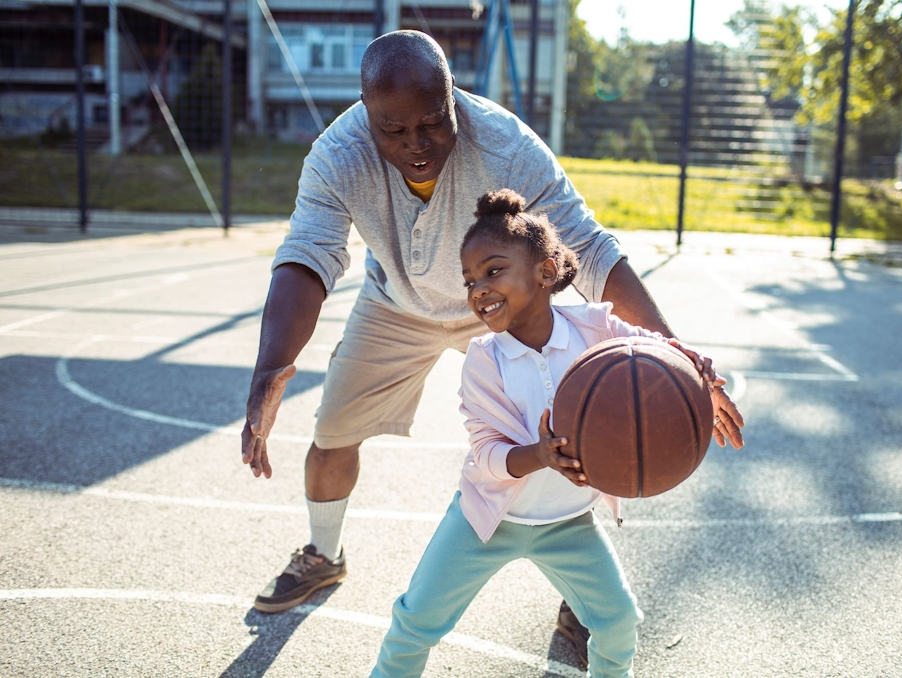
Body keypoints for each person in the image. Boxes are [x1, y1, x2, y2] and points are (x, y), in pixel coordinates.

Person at [240, 29, 745, 656]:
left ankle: (582, 593)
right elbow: (308, 256)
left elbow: (586, 247)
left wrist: (675, 352)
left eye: (433, 123)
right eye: (393, 131)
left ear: (455, 98)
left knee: (600, 421)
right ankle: (324, 553)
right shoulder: (337, 153)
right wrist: (269, 368)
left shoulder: (504, 142)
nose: (416, 144)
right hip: (396, 303)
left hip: (503, 303)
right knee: (332, 433)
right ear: (367, 115)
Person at [371, 189, 727, 676]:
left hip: (568, 523)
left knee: (619, 621)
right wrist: (539, 454)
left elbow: (654, 350)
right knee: (416, 622)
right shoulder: (484, 360)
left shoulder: (596, 329)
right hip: (490, 521)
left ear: (545, 272)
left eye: (493, 271)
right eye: (470, 279)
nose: (478, 288)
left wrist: (689, 362)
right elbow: (486, 454)